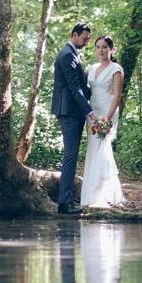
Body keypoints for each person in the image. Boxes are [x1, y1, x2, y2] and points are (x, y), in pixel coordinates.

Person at [52, 22, 98, 215]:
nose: (87, 42)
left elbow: (80, 85)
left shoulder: (72, 55)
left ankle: (66, 199)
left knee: (71, 155)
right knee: (70, 156)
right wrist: (89, 112)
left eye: (88, 39)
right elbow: (74, 88)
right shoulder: (67, 55)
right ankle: (64, 203)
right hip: (69, 112)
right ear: (74, 34)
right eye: (85, 38)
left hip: (73, 111)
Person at [80, 36, 125, 208]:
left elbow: (117, 96)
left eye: (105, 47)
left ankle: (105, 195)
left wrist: (107, 117)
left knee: (103, 148)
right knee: (93, 149)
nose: (101, 50)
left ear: (112, 49)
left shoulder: (116, 69)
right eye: (98, 47)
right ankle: (91, 195)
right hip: (92, 114)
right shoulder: (91, 68)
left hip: (108, 111)